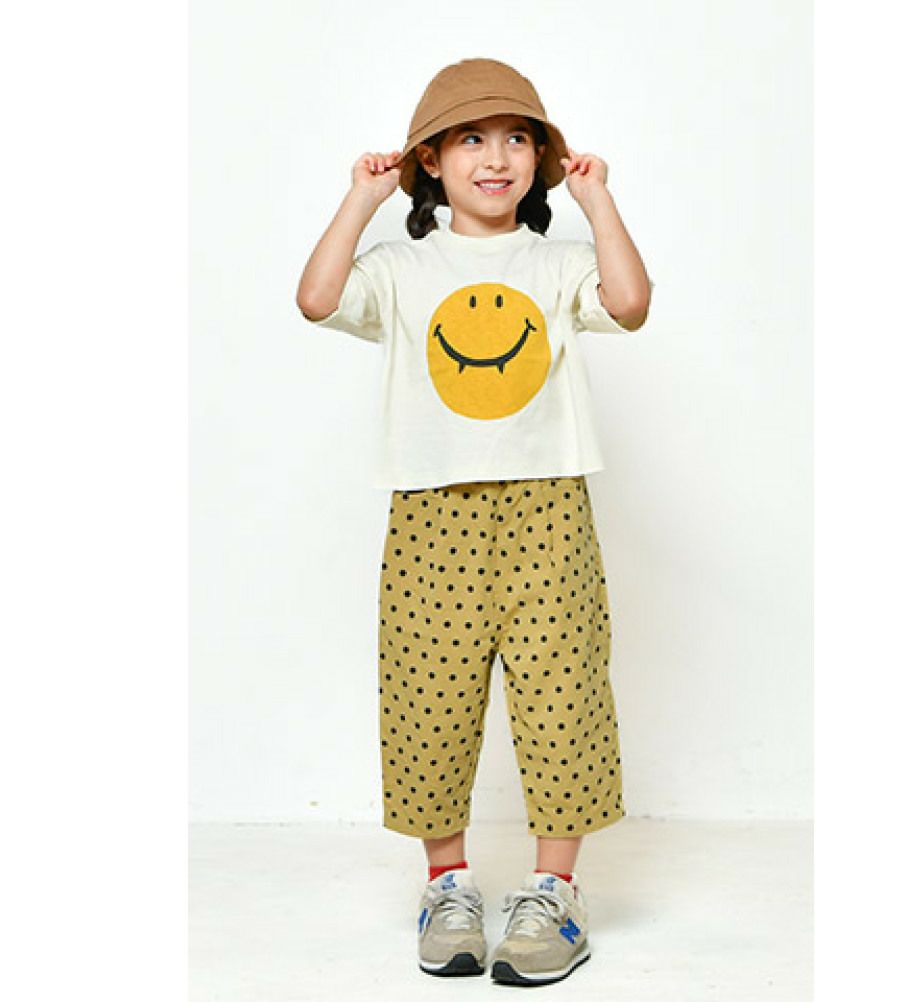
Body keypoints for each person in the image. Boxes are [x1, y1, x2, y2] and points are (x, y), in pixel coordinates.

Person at [296, 57, 653, 987]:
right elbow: (318, 298)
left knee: (562, 694)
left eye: (517, 138)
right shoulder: (402, 267)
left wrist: (598, 203)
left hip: (547, 506)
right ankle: (447, 885)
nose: (495, 159)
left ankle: (555, 892)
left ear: (542, 158)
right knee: (430, 696)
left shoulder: (558, 263)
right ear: (431, 160)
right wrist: (363, 200)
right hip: (431, 508)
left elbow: (629, 304)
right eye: (470, 140)